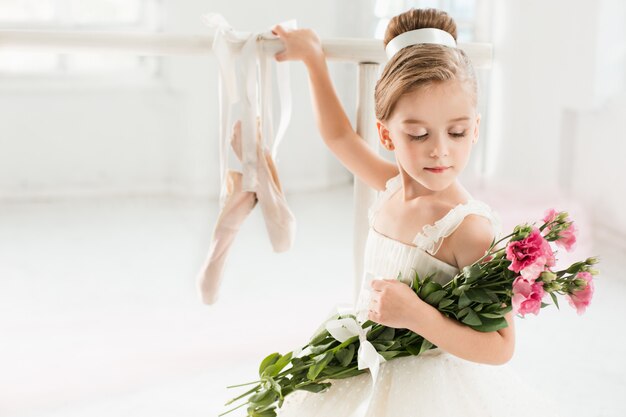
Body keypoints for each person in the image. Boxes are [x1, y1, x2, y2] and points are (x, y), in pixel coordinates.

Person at [269, 7, 562, 417]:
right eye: (419, 134)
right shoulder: (391, 186)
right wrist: (313, 59)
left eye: (456, 132)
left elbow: (500, 347)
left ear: (475, 128)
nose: (440, 149)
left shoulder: (467, 229)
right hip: (373, 361)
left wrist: (417, 315)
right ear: (387, 133)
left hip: (428, 392)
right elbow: (338, 136)